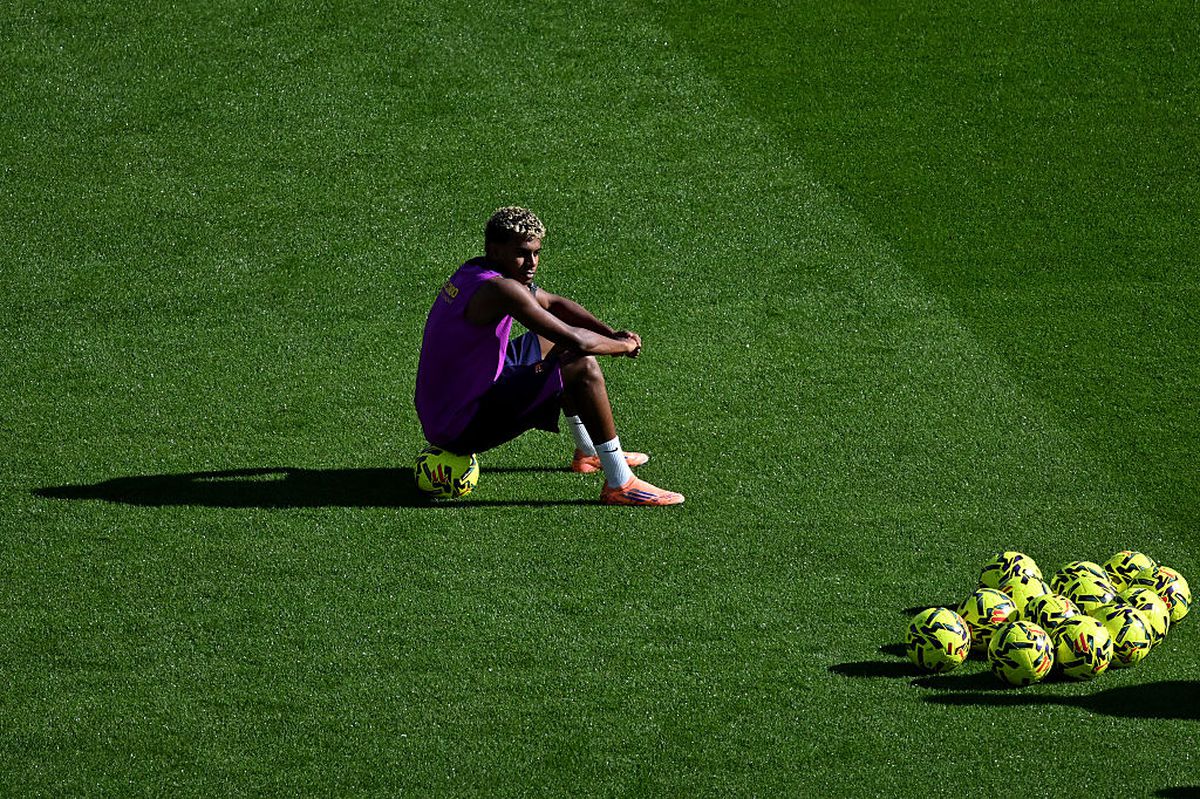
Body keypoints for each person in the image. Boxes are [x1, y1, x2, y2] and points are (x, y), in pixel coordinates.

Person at [414, 206, 684, 506]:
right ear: (495, 250)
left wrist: (611, 333)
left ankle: (589, 454)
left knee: (551, 344)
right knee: (580, 364)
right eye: (522, 253)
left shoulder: (476, 271)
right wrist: (624, 346)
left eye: (536, 253)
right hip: (458, 425)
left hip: (449, 404)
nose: (531, 263)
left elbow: (553, 303)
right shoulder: (500, 289)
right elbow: (576, 340)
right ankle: (620, 483)